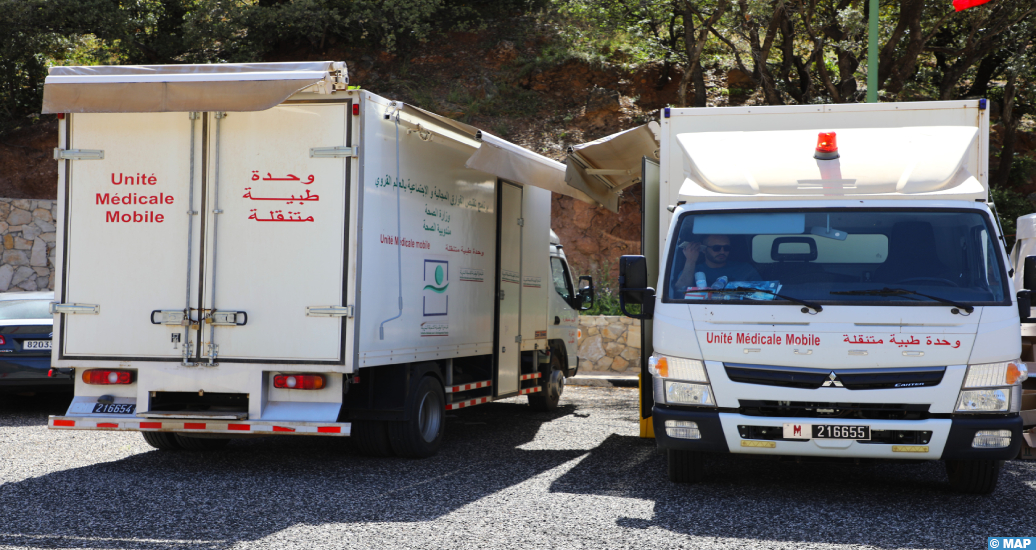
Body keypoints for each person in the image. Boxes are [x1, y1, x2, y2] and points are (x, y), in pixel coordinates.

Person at [673, 234, 760, 297]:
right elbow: (680, 291)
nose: (722, 252)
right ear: (704, 250)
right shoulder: (693, 270)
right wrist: (690, 260)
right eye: (716, 248)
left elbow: (761, 293)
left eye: (726, 248)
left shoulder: (744, 269)